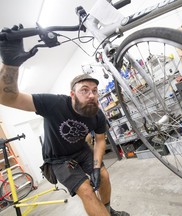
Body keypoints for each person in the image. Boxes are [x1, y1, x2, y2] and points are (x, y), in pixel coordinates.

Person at [0, 25, 129, 216]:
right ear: (72, 94)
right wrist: (10, 65)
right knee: (86, 190)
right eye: (85, 90)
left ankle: (108, 211)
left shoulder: (97, 114)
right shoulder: (54, 103)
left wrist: (95, 167)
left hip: (82, 151)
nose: (92, 95)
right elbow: (7, 97)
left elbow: (100, 140)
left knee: (103, 175)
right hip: (58, 159)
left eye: (94, 90)